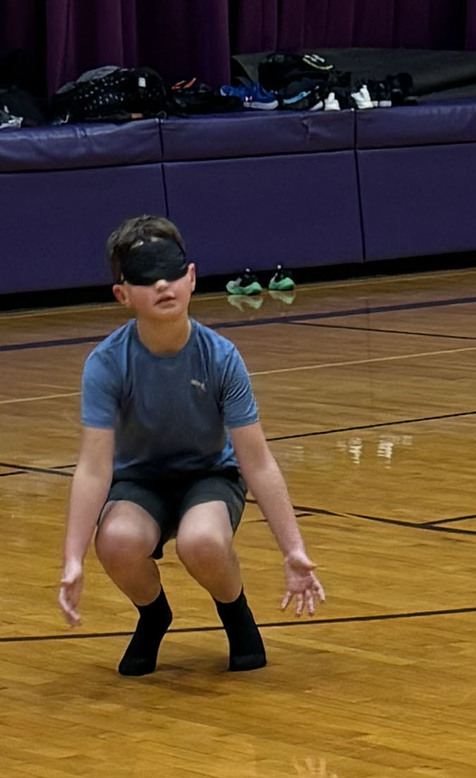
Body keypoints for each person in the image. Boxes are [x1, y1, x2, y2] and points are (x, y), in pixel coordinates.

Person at [58, 214, 325, 675]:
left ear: (192, 277)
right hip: (139, 482)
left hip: (209, 477)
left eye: (172, 270)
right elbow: (94, 468)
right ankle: (154, 614)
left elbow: (257, 461)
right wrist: (73, 559)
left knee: (201, 542)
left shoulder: (220, 356)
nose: (163, 284)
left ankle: (235, 612)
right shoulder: (106, 364)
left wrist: (293, 549)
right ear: (122, 294)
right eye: (146, 274)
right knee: (117, 541)